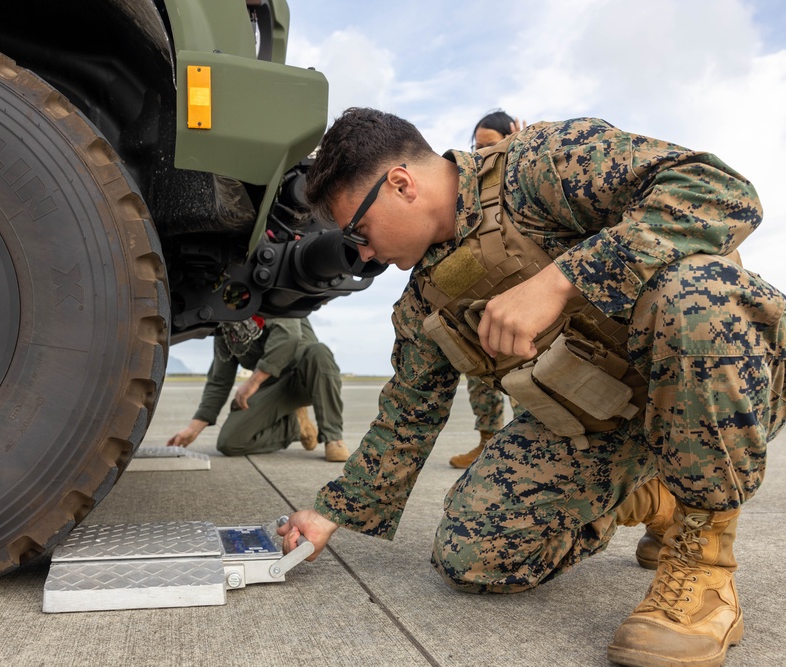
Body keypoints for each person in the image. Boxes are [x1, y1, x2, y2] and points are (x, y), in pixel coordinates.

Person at [278, 107, 784, 667]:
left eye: (359, 233)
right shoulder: (425, 299)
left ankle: (706, 572)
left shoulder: (539, 166)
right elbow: (407, 417)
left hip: (727, 377)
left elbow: (720, 192)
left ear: (400, 184)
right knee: (471, 553)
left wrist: (560, 281)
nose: (363, 255)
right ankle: (655, 496)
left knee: (695, 292)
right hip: (609, 425)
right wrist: (329, 513)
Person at [450, 109, 527, 469]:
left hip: (523, 291)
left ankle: (528, 451)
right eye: (477, 146)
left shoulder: (524, 171)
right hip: (484, 289)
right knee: (480, 371)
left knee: (525, 372)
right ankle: (487, 442)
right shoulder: (474, 179)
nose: (482, 153)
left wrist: (520, 145)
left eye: (490, 145)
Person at [168, 316, 350, 462]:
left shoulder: (278, 294)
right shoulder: (224, 325)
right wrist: (195, 427)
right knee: (230, 442)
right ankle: (294, 425)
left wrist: (254, 381)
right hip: (272, 387)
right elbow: (219, 380)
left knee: (319, 352)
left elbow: (288, 336)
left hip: (306, 378)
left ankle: (333, 438)